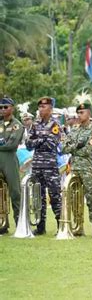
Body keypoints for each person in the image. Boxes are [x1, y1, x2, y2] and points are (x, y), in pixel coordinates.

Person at [61, 95, 92, 237]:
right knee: (74, 198)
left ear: (89, 113)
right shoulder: (75, 130)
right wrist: (76, 146)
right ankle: (78, 226)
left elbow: (88, 150)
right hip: (75, 168)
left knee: (91, 198)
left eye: (81, 112)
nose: (79, 115)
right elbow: (63, 148)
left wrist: (74, 147)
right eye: (78, 113)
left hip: (87, 169)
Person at [25, 97, 63, 235]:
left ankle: (61, 225)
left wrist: (38, 140)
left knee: (54, 196)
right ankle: (40, 227)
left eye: (44, 107)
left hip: (50, 165)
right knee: (38, 196)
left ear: (50, 109)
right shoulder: (35, 124)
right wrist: (42, 138)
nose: (41, 109)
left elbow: (52, 144)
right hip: (37, 165)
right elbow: (28, 144)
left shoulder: (55, 124)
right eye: (40, 107)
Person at [0, 96, 24, 234]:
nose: (3, 110)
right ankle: (2, 224)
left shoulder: (17, 125)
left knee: (15, 193)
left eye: (5, 107)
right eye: (1, 107)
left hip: (9, 160)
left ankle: (20, 224)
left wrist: (3, 143)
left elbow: (12, 144)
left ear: (12, 108)